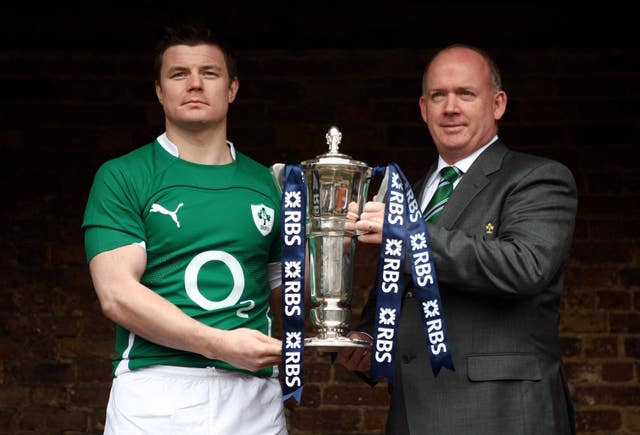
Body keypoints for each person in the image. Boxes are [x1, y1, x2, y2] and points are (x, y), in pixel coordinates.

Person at [337, 44, 577, 434]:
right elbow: (397, 294)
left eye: (466, 94)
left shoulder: (538, 178)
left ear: (497, 104)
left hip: (503, 414)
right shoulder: (409, 194)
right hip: (413, 415)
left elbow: (526, 267)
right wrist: (367, 338)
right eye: (438, 95)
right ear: (422, 108)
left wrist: (411, 234)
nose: (450, 107)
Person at [82, 23, 287, 435]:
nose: (194, 84)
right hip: (154, 392)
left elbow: (284, 292)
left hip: (252, 395)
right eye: (179, 74)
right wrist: (221, 344)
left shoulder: (270, 183)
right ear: (159, 90)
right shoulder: (123, 175)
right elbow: (117, 295)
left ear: (232, 88)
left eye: (209, 73)